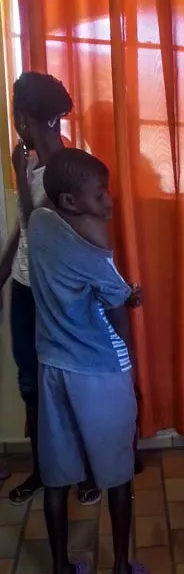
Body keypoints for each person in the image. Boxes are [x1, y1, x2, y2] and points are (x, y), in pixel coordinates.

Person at [28, 147, 150, 574]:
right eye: (99, 195)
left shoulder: (39, 224)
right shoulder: (94, 250)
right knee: (117, 474)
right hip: (99, 370)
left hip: (52, 368)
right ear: (70, 201)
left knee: (56, 477)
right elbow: (117, 303)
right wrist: (131, 368)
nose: (108, 202)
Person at [0, 72, 100, 506]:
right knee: (31, 384)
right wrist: (2, 274)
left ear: (23, 119)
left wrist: (22, 178)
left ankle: (89, 471)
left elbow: (43, 231)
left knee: (70, 383)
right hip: (26, 291)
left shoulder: (68, 170)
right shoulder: (32, 164)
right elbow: (23, 232)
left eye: (16, 116)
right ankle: (44, 471)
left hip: (60, 297)